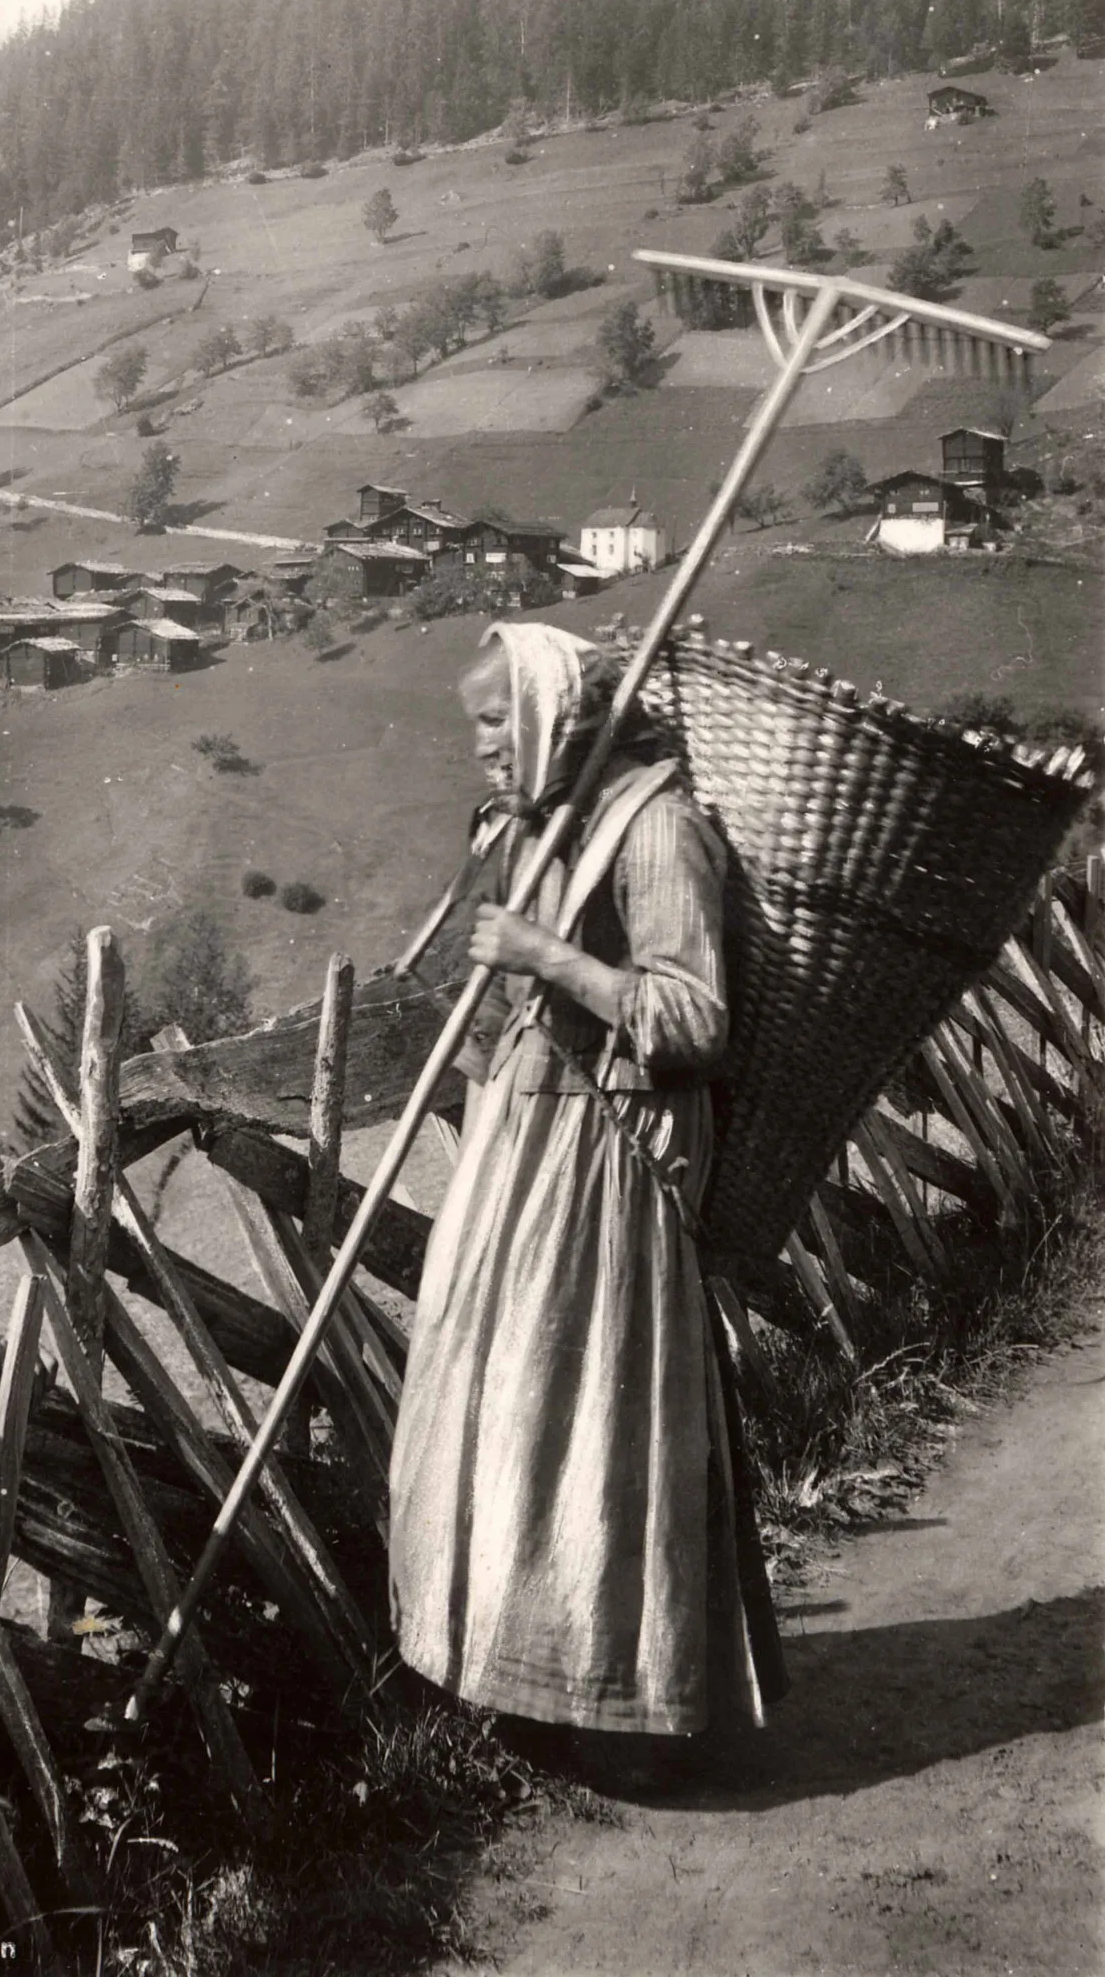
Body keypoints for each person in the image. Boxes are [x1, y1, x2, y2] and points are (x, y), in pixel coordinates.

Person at [388, 624, 786, 1740]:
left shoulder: (658, 828)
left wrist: (548, 957)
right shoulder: (551, 826)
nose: (478, 746)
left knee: (599, 1421)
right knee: (507, 1410)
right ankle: (528, 1675)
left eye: (488, 721)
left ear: (551, 716)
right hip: (531, 1151)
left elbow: (694, 1020)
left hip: (612, 1167)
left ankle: (630, 1702)